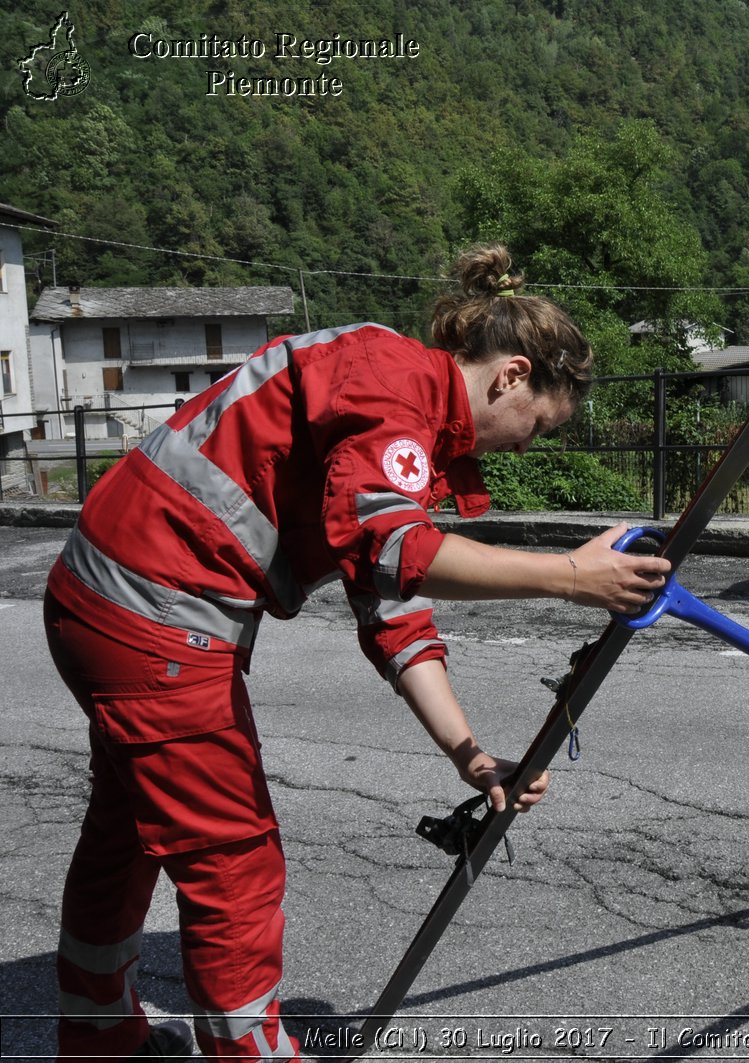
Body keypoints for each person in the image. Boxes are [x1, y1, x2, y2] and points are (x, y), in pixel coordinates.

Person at [43, 245, 671, 1062]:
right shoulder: (390, 383)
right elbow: (396, 552)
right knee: (235, 863)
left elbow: (394, 608)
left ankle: (97, 1039)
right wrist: (569, 577)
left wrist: (472, 756)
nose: (526, 449)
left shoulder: (400, 406)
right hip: (155, 614)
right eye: (540, 426)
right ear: (513, 375)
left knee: (125, 830)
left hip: (108, 593)